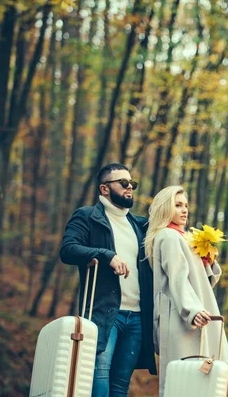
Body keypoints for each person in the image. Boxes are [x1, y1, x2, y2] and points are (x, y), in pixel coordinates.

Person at [60, 163, 156, 396]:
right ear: (104, 189)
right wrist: (106, 255)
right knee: (98, 372)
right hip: (104, 313)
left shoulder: (140, 225)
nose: (129, 187)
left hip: (136, 318)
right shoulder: (88, 216)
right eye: (123, 183)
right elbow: (68, 250)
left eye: (132, 183)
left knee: (120, 383)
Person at [145, 185, 228, 397]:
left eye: (186, 205)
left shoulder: (185, 237)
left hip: (196, 314)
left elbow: (201, 282)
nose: (184, 210)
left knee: (200, 380)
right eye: (177, 205)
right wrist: (192, 309)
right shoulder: (168, 236)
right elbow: (176, 279)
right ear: (164, 208)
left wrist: (207, 261)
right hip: (181, 318)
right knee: (187, 381)